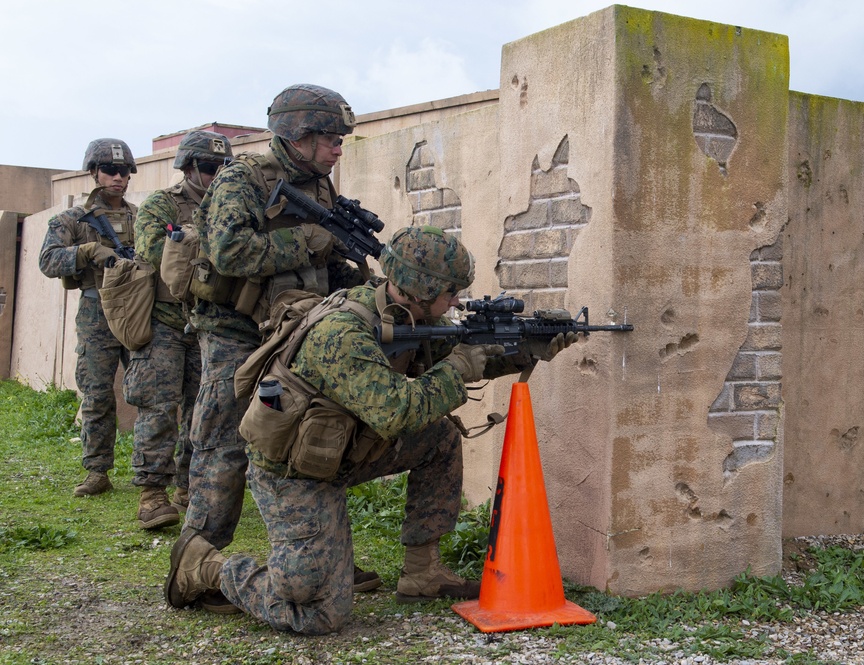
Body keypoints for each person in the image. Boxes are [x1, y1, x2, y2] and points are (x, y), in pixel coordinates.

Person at [164, 226, 578, 635]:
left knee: (439, 438)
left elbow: (465, 357)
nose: (457, 301)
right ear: (420, 290)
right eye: (450, 292)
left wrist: (525, 350)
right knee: (318, 612)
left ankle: (422, 571)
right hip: (294, 475)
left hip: (346, 451)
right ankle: (205, 565)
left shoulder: (405, 314)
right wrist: (457, 368)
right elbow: (397, 412)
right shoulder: (343, 333)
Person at [179, 84, 370, 610]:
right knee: (222, 445)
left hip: (292, 330)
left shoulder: (321, 187)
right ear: (297, 135)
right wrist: (309, 239)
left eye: (339, 139)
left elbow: (319, 261)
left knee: (306, 438)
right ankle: (196, 563)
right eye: (330, 137)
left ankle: (325, 557)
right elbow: (228, 250)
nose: (337, 147)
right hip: (235, 331)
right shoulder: (243, 178)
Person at [127, 130, 234, 530]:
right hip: (166, 323)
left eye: (224, 167)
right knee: (157, 406)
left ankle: (188, 485)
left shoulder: (233, 203)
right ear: (188, 167)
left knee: (200, 410)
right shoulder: (162, 205)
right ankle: (152, 493)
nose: (216, 175)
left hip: (207, 325)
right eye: (209, 167)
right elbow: (155, 253)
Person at [39, 139, 138, 497]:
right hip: (97, 310)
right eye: (110, 170)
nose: (118, 177)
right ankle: (97, 471)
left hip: (138, 308)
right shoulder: (72, 220)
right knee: (97, 393)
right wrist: (86, 251)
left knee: (150, 392)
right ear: (94, 173)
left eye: (124, 171)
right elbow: (48, 261)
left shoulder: (141, 217)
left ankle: (154, 472)